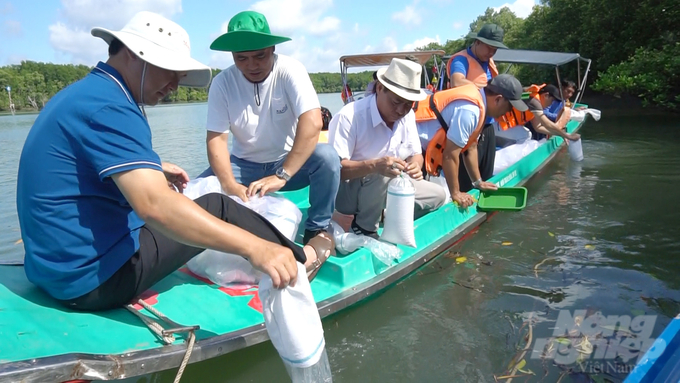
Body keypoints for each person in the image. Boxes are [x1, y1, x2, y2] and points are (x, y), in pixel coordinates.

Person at [16, 11, 333, 312]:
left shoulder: (88, 94)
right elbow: (154, 206)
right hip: (94, 280)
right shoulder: (111, 108)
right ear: (133, 54)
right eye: (169, 71)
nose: (174, 85)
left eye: (179, 76)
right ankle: (300, 258)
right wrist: (255, 248)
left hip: (50, 271)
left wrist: (151, 166)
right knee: (216, 206)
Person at [201, 11, 341, 246]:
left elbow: (314, 121)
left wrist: (282, 174)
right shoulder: (222, 83)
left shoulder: (290, 70)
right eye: (241, 58)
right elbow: (216, 139)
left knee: (328, 158)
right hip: (242, 166)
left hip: (285, 162)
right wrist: (228, 184)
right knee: (193, 190)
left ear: (273, 49)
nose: (251, 65)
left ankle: (317, 229)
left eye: (259, 55)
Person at [328, 58, 447, 238]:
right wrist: (375, 165)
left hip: (387, 187)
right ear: (379, 88)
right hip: (348, 194)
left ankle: (385, 216)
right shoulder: (349, 116)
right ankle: (365, 227)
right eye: (396, 102)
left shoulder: (406, 116)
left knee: (437, 195)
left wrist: (415, 164)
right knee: (383, 169)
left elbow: (416, 154)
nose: (401, 110)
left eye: (408, 104)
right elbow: (336, 170)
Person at [415, 74, 529, 207]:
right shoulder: (470, 110)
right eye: (509, 107)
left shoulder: (480, 103)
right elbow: (450, 154)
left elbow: (471, 147)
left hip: (424, 147)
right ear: (498, 99)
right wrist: (456, 193)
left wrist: (478, 182)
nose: (508, 112)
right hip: (412, 145)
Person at [447, 24, 509, 192]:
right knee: (466, 178)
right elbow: (457, 81)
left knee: (486, 173)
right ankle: (462, 202)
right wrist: (485, 91)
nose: (491, 53)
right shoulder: (461, 60)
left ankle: (485, 203)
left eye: (495, 50)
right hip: (468, 123)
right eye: (489, 48)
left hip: (487, 125)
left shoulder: (488, 62)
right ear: (477, 42)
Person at [498, 84, 581, 142]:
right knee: (526, 134)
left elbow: (538, 127)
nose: (551, 104)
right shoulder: (534, 102)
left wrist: (560, 135)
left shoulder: (535, 105)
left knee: (525, 133)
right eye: (552, 100)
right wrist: (567, 136)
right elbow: (546, 123)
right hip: (500, 126)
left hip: (504, 128)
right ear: (546, 95)